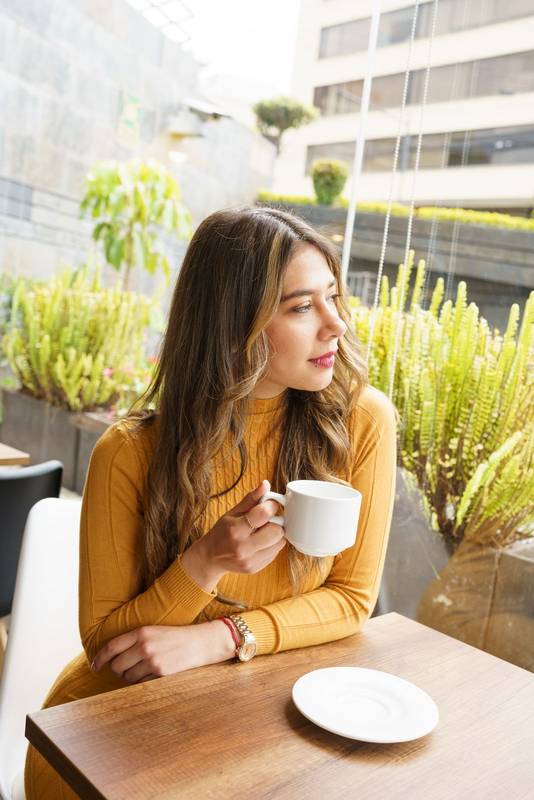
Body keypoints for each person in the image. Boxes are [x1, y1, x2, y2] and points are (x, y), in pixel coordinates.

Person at [25, 206, 397, 798]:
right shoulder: (129, 452)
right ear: (234, 323)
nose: (336, 325)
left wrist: (223, 637)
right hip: (111, 734)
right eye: (301, 307)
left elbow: (352, 600)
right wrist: (204, 564)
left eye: (332, 297)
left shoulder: (360, 423)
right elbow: (105, 647)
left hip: (258, 722)